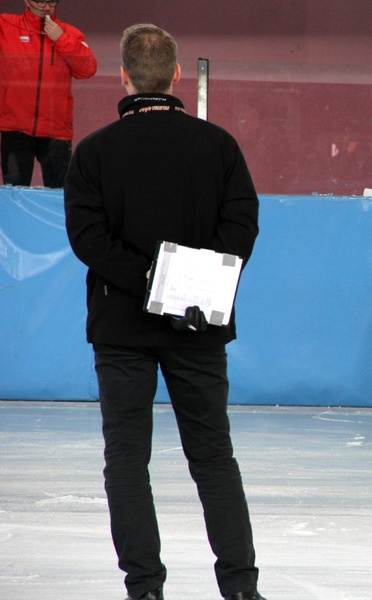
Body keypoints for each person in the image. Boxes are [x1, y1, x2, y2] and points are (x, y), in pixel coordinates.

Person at [64, 24, 265, 600]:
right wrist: (184, 289)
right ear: (178, 76)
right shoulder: (218, 145)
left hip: (120, 328)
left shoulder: (93, 152)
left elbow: (89, 238)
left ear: (122, 77)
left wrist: (148, 280)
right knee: (213, 457)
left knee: (126, 460)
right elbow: (241, 229)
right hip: (197, 326)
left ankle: (145, 588)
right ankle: (242, 588)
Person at [0, 0, 97, 187]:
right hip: (15, 128)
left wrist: (60, 38)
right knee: (15, 196)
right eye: (40, 1)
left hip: (56, 131)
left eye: (51, 2)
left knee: (58, 198)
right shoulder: (5, 25)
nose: (46, 7)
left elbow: (88, 69)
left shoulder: (69, 33)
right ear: (27, 1)